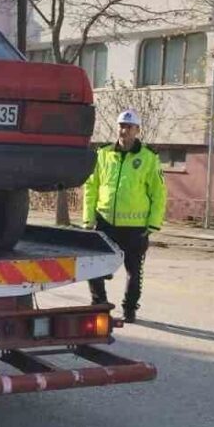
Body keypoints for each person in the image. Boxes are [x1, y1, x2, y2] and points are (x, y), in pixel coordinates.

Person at [81, 109, 167, 324]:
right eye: (121, 126)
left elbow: (158, 193)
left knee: (134, 271)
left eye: (129, 127)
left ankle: (129, 309)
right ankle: (99, 303)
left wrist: (153, 224)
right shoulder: (104, 154)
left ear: (137, 130)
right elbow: (91, 187)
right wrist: (88, 218)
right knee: (94, 265)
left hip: (135, 227)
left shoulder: (148, 158)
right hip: (105, 222)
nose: (124, 130)